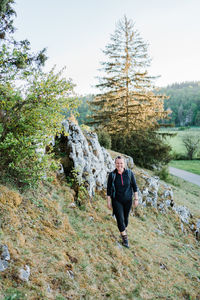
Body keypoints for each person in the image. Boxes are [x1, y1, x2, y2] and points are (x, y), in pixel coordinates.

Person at [107, 156, 138, 248]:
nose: (119, 165)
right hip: (116, 200)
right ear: (115, 163)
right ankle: (125, 238)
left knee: (125, 220)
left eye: (121, 163)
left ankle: (123, 229)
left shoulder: (129, 173)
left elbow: (135, 187)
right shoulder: (112, 175)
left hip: (128, 201)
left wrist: (136, 199)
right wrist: (109, 202)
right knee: (120, 219)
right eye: (117, 163)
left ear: (124, 164)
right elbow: (108, 190)